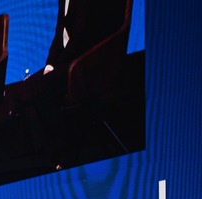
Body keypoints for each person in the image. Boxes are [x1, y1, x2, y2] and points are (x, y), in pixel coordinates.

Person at [15, 0, 126, 169]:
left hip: (84, 62)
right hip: (65, 62)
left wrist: (57, 65)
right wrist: (50, 65)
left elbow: (82, 36)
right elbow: (59, 34)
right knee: (22, 91)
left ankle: (65, 154)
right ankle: (49, 157)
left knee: (41, 91)